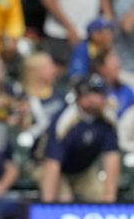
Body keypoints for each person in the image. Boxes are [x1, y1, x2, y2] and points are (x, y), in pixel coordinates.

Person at [36, 73, 120, 202]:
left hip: (84, 170)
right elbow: (52, 163)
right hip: (53, 168)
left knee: (99, 197)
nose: (95, 99)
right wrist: (47, 205)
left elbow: (112, 156)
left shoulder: (108, 118)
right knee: (65, 201)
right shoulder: (65, 121)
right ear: (79, 97)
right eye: (90, 94)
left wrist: (110, 199)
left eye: (99, 94)